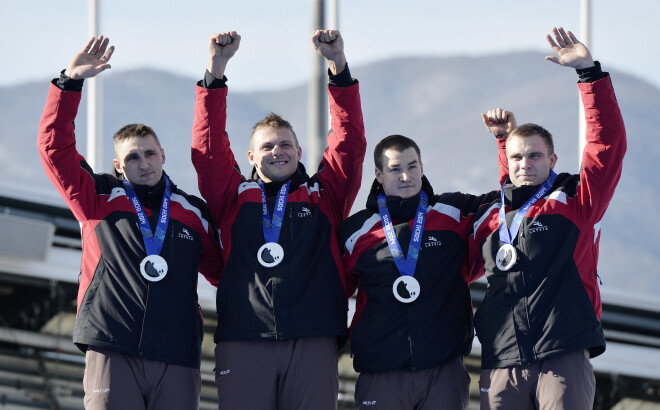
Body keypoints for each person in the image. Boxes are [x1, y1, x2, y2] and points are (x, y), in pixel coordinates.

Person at [37, 36, 222, 410]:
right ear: (119, 166)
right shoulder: (96, 198)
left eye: (150, 153)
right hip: (112, 344)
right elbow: (55, 149)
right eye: (133, 157)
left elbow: (226, 271)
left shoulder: (193, 211)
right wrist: (70, 82)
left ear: (164, 155)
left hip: (177, 352)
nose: (145, 163)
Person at [190, 30, 366, 409]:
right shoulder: (233, 198)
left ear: (300, 151)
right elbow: (207, 150)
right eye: (267, 146)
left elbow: (349, 143)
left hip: (313, 335)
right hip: (244, 336)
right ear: (250, 157)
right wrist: (215, 72)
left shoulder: (324, 196)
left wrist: (338, 69)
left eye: (285, 144)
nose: (278, 151)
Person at [468, 27, 626, 409]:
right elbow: (511, 197)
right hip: (503, 355)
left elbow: (607, 145)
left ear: (552, 160)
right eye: (518, 157)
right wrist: (506, 142)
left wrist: (589, 74)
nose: (526, 164)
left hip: (563, 351)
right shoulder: (490, 214)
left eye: (535, 156)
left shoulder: (576, 200)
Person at [339, 125, 515, 409]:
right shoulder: (355, 231)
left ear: (422, 167)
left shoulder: (456, 212)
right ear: (379, 175)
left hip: (443, 369)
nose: (406, 176)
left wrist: (505, 143)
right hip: (381, 371)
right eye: (395, 169)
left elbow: (507, 201)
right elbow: (336, 292)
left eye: (412, 166)